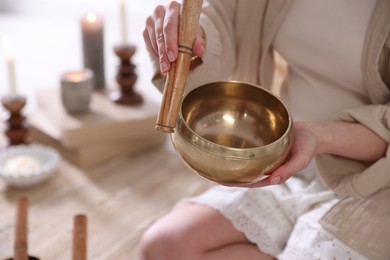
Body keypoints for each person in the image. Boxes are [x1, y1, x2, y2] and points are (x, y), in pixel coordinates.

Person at [140, 0, 390, 259]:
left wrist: (321, 137)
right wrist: (191, 37)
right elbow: (227, 15)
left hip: (377, 180)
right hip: (286, 157)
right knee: (165, 247)